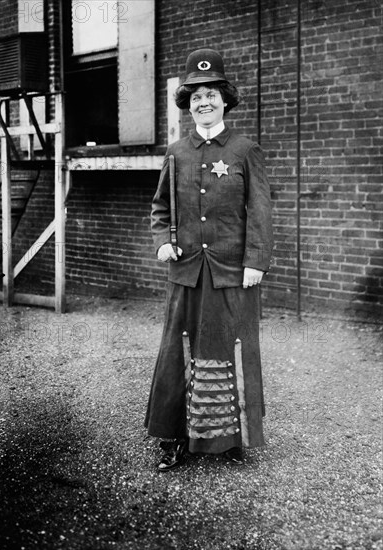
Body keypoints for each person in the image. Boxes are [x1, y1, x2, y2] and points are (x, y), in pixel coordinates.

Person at [145, 48, 274, 471]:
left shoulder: (244, 150)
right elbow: (160, 207)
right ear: (187, 103)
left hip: (233, 272)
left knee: (229, 348)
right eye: (195, 95)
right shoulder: (176, 152)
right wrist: (163, 240)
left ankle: (229, 438)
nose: (204, 102)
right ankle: (174, 439)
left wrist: (255, 261)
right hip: (186, 272)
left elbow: (260, 211)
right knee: (178, 351)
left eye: (212, 94)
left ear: (225, 100)